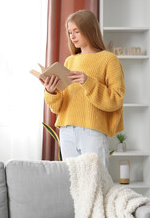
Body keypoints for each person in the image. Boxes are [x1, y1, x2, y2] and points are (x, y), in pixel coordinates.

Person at [42, 10, 125, 169]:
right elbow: (60, 105)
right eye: (69, 32)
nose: (72, 36)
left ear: (89, 30)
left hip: (92, 131)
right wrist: (51, 92)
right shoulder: (70, 61)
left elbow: (116, 99)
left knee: (96, 181)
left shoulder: (109, 60)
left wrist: (88, 82)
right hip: (67, 131)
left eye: (76, 31)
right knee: (73, 182)